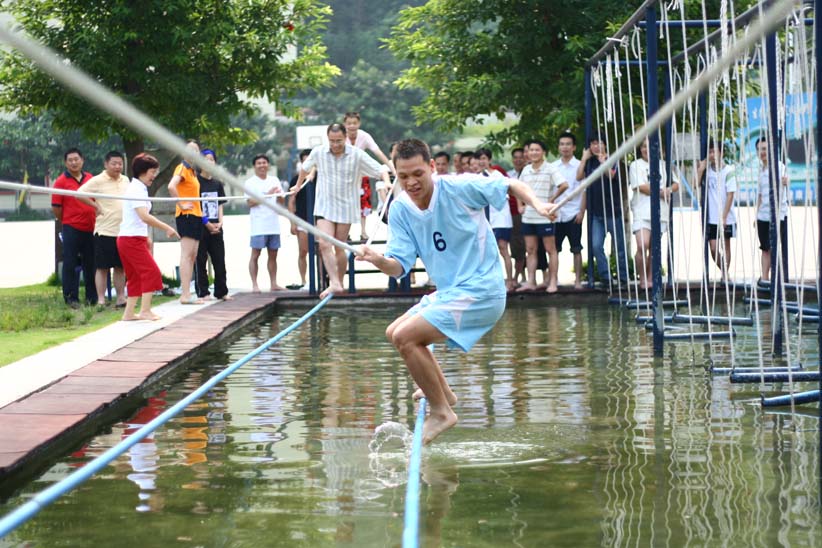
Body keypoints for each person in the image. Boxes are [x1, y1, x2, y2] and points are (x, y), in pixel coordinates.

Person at [356, 138, 556, 444]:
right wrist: (378, 260)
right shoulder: (400, 209)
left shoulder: (458, 187)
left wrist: (539, 206)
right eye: (404, 176)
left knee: (406, 337)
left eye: (418, 174)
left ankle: (442, 412)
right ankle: (445, 394)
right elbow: (399, 268)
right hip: (451, 293)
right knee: (394, 332)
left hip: (482, 290)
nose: (411, 182)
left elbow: (510, 185)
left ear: (431, 167)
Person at [294, 123, 391, 297]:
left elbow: (380, 169)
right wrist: (298, 186)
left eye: (339, 141)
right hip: (324, 205)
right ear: (327, 138)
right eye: (332, 141)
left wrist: (387, 181)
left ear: (345, 138)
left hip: (346, 207)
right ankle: (334, 282)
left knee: (339, 246)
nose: (335, 144)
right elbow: (305, 168)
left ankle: (339, 281)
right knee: (324, 243)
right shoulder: (319, 152)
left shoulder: (356, 154)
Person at [117, 153, 180, 321]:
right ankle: (145, 310)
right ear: (143, 171)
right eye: (152, 172)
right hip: (130, 240)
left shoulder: (139, 188)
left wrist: (145, 238)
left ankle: (129, 314)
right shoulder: (136, 189)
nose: (154, 175)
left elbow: (138, 219)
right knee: (151, 272)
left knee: (135, 277)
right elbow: (144, 216)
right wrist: (167, 227)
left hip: (132, 238)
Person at [77, 151, 129, 307]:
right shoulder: (98, 180)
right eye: (114, 164)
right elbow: (79, 194)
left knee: (120, 267)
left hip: (122, 230)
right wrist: (95, 206)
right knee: (102, 267)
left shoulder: (125, 180)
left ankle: (121, 297)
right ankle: (101, 299)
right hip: (104, 230)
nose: (117, 167)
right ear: (106, 164)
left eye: (120, 164)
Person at [516, 139, 567, 293]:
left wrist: (551, 200)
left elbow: (564, 185)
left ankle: (553, 281)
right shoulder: (526, 170)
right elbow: (517, 189)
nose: (534, 153)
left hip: (545, 216)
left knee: (550, 250)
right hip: (528, 216)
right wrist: (520, 205)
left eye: (537, 150)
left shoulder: (550, 169)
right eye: (531, 150)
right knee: (530, 249)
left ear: (543, 152)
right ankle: (531, 281)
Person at [577, 132, 628, 286]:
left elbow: (611, 175)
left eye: (599, 143)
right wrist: (584, 159)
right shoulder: (589, 163)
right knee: (596, 245)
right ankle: (606, 277)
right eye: (593, 143)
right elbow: (579, 177)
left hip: (613, 212)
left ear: (605, 144)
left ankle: (623, 277)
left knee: (619, 247)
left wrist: (603, 162)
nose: (596, 146)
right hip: (596, 213)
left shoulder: (613, 159)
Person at [629, 139, 679, 289]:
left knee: (654, 247)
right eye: (644, 146)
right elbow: (640, 187)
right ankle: (642, 277)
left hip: (660, 211)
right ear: (640, 149)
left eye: (650, 146)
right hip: (641, 210)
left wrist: (668, 190)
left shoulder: (664, 165)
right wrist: (660, 193)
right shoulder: (635, 165)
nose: (647, 149)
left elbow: (676, 184)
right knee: (642, 244)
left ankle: (650, 279)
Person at [51, 148, 96, 307]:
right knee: (70, 263)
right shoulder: (60, 181)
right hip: (71, 228)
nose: (74, 163)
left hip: (91, 227)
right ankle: (71, 298)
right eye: (70, 160)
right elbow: (56, 207)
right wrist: (67, 220)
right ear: (65, 163)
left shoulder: (90, 178)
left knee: (91, 263)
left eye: (76, 159)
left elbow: (97, 200)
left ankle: (92, 298)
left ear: (82, 160)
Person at [343, 112, 394, 241]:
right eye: (349, 123)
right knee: (346, 204)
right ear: (345, 124)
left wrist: (392, 168)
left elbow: (378, 152)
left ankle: (363, 231)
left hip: (361, 174)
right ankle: (345, 232)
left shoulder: (364, 136)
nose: (352, 126)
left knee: (364, 203)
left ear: (359, 124)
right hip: (345, 176)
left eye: (354, 123)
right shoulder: (341, 137)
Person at [168, 140, 204, 304]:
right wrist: (181, 204)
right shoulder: (182, 168)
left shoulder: (192, 172)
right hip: (186, 215)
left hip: (196, 215)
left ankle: (188, 293)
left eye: (196, 150)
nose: (193, 153)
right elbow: (171, 186)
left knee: (192, 255)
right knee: (187, 254)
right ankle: (185, 294)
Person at [696, 139, 737, 280]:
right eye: (710, 152)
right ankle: (724, 271)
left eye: (715, 152)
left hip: (726, 216)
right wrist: (700, 169)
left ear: (722, 152)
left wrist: (724, 217)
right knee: (713, 248)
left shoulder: (729, 171)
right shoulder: (707, 171)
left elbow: (731, 194)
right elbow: (695, 184)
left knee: (726, 246)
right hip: (711, 217)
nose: (713, 155)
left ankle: (725, 274)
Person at [245, 154, 285, 292]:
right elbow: (250, 203)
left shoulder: (274, 180)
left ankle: (274, 283)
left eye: (264, 162)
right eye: (259, 163)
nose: (262, 165)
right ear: (254, 166)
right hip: (259, 225)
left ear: (268, 165)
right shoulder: (250, 182)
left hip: (273, 224)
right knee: (255, 255)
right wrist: (267, 194)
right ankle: (254, 285)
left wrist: (278, 195)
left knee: (273, 255)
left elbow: (281, 202)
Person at [194, 149, 230, 300]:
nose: (209, 162)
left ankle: (221, 291)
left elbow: (220, 204)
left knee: (219, 260)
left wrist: (220, 222)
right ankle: (203, 292)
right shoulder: (195, 182)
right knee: (200, 261)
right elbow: (196, 205)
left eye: (212, 159)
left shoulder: (217, 183)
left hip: (216, 227)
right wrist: (206, 223)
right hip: (201, 226)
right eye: (206, 159)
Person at [477, 149, 515, 290]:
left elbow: (503, 195)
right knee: (488, 252)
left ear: (489, 160)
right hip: (487, 220)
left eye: (484, 158)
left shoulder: (497, 175)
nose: (482, 162)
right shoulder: (478, 177)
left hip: (501, 219)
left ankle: (509, 281)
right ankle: (492, 282)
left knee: (503, 248)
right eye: (479, 159)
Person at [755, 136, 789, 284]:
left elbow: (786, 180)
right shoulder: (760, 170)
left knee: (774, 248)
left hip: (777, 215)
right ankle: (764, 278)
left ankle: (775, 278)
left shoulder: (779, 166)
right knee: (765, 248)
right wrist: (756, 215)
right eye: (759, 149)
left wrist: (786, 181)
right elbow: (760, 195)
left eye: (764, 149)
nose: (762, 152)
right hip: (762, 216)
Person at [552, 132, 584, 289]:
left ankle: (578, 281)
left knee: (576, 249)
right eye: (562, 144)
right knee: (554, 250)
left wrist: (582, 211)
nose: (565, 147)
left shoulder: (580, 166)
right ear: (558, 147)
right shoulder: (553, 167)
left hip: (574, 213)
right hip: (557, 213)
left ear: (574, 147)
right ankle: (554, 280)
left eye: (568, 144)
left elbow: (584, 190)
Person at [288, 149, 316, 290]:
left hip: (319, 220)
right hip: (302, 220)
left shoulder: (321, 178)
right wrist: (292, 223)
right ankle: (304, 281)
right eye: (305, 161)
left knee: (322, 251)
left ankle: (322, 279)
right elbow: (291, 202)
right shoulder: (295, 180)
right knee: (303, 251)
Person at [507, 147, 527, 284]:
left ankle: (519, 277)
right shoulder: (508, 175)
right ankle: (520, 276)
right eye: (515, 157)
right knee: (516, 246)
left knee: (525, 246)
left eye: (521, 157)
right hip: (512, 214)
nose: (518, 160)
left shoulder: (529, 173)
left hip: (527, 213)